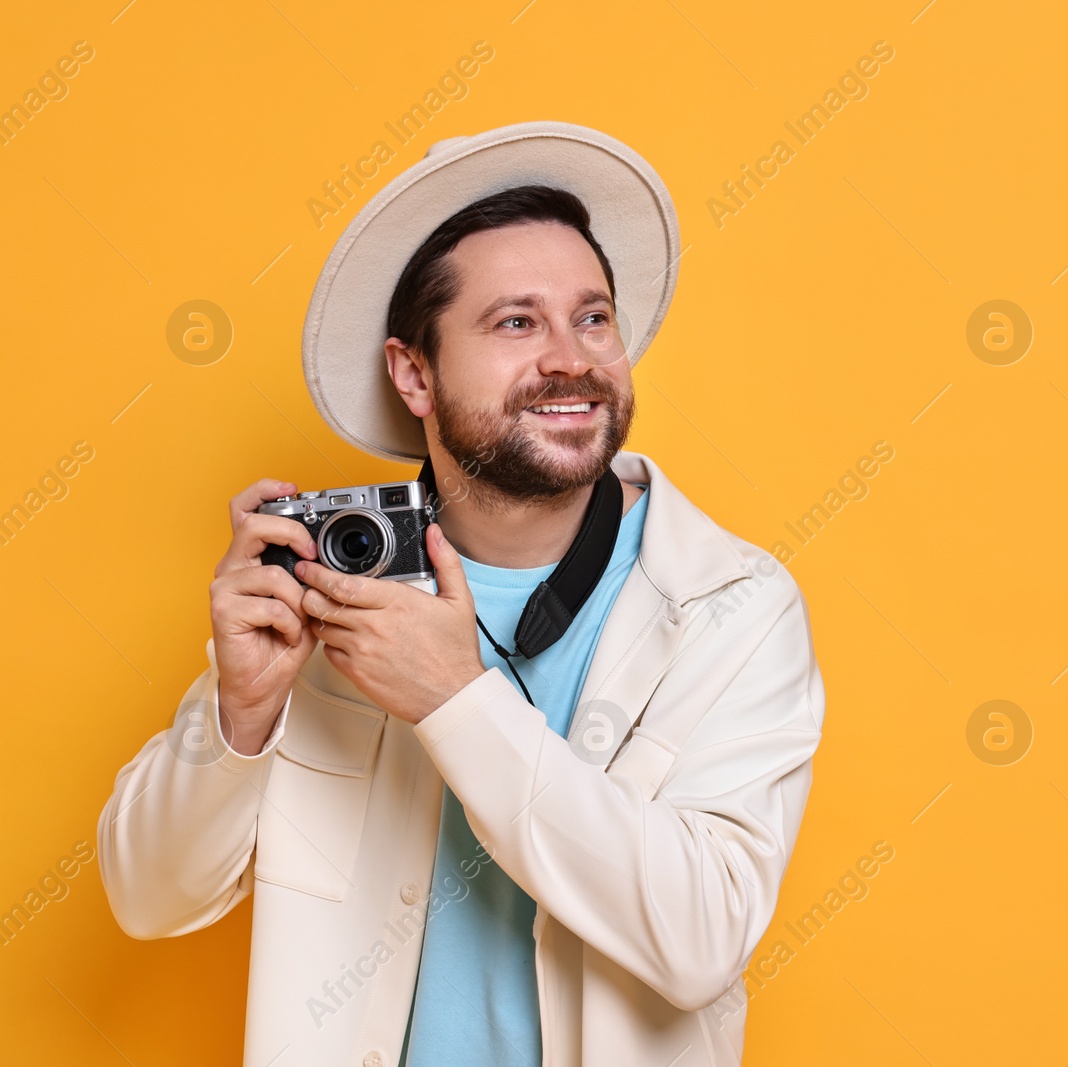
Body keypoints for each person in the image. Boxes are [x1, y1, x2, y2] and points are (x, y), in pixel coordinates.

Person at [96, 122, 825, 1067]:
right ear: (413, 374)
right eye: (516, 322)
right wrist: (239, 712)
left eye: (592, 317)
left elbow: (700, 939)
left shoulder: (736, 602)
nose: (571, 358)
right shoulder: (327, 587)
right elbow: (149, 897)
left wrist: (457, 699)